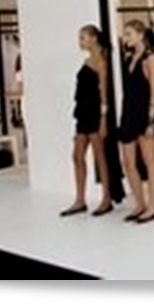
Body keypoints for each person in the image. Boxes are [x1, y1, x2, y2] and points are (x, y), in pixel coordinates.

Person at [61, 25, 116, 218]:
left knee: (100, 157)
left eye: (83, 38)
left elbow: (104, 94)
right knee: (77, 156)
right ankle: (80, 200)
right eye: (80, 38)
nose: (80, 42)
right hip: (82, 112)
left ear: (93, 38)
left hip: (94, 113)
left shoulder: (101, 62)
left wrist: (103, 120)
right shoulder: (87, 60)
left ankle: (106, 198)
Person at [118, 20, 154, 224]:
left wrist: (151, 120)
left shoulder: (149, 58)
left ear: (140, 35)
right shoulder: (129, 58)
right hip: (128, 113)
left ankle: (152, 207)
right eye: (125, 34)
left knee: (149, 160)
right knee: (128, 162)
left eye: (128, 34)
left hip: (144, 114)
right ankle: (139, 204)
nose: (125, 38)